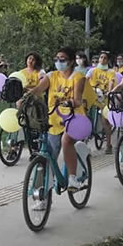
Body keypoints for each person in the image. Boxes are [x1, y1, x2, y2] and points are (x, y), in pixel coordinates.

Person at [30, 46, 85, 195]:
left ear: (72, 61)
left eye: (62, 59)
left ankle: (73, 178)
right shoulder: (51, 76)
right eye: (56, 59)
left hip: (75, 118)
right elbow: (38, 89)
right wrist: (26, 97)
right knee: (48, 158)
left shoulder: (78, 77)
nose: (58, 62)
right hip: (54, 120)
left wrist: (72, 102)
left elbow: (78, 99)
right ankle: (41, 195)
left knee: (66, 141)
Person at [86, 51, 116, 154]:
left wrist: (109, 91)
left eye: (105, 58)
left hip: (104, 98)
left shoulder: (111, 72)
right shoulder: (92, 71)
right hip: (93, 96)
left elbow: (111, 82)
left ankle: (108, 144)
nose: (102, 59)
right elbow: (86, 80)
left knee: (105, 122)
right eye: (101, 57)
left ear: (107, 60)